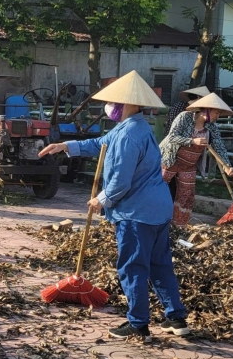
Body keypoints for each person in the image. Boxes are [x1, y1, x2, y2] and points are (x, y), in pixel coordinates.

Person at [39, 71, 188, 341]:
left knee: (133, 267)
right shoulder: (135, 127)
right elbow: (100, 144)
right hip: (157, 210)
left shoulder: (129, 134)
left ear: (128, 103)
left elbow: (120, 180)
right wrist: (65, 146)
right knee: (160, 264)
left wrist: (101, 200)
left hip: (137, 213)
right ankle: (176, 318)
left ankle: (138, 323)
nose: (109, 107)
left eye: (113, 101)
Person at [159, 92, 233, 226]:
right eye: (216, 113)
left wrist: (227, 165)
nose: (217, 117)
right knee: (159, 188)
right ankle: (156, 221)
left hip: (189, 165)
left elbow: (219, 146)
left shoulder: (211, 127)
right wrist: (192, 141)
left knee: (187, 195)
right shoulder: (184, 117)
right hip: (170, 160)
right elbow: (171, 137)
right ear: (206, 110)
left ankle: (179, 225)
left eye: (219, 114)